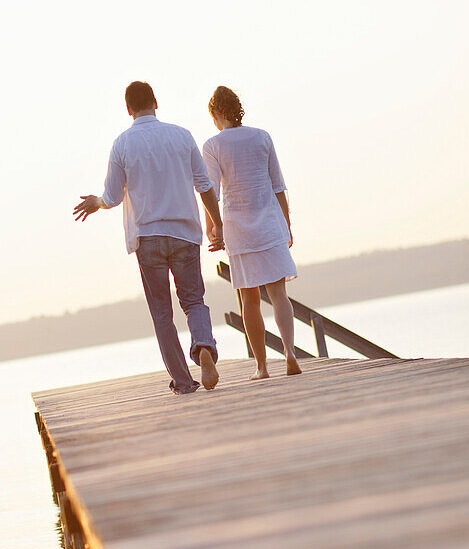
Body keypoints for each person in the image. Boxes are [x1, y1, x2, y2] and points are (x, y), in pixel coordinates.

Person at [74, 81, 224, 395]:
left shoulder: (122, 144)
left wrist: (96, 203)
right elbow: (205, 185)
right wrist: (217, 225)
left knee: (162, 313)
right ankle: (204, 346)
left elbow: (112, 197)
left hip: (149, 237)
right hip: (184, 233)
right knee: (194, 300)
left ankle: (183, 381)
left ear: (128, 109)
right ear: (156, 102)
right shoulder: (182, 136)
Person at [203, 85, 302, 380]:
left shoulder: (213, 145)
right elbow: (278, 185)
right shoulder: (262, 136)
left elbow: (211, 189)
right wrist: (286, 223)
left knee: (249, 299)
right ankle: (290, 352)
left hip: (238, 227)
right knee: (278, 293)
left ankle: (262, 366)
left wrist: (213, 227)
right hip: (270, 221)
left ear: (217, 114)